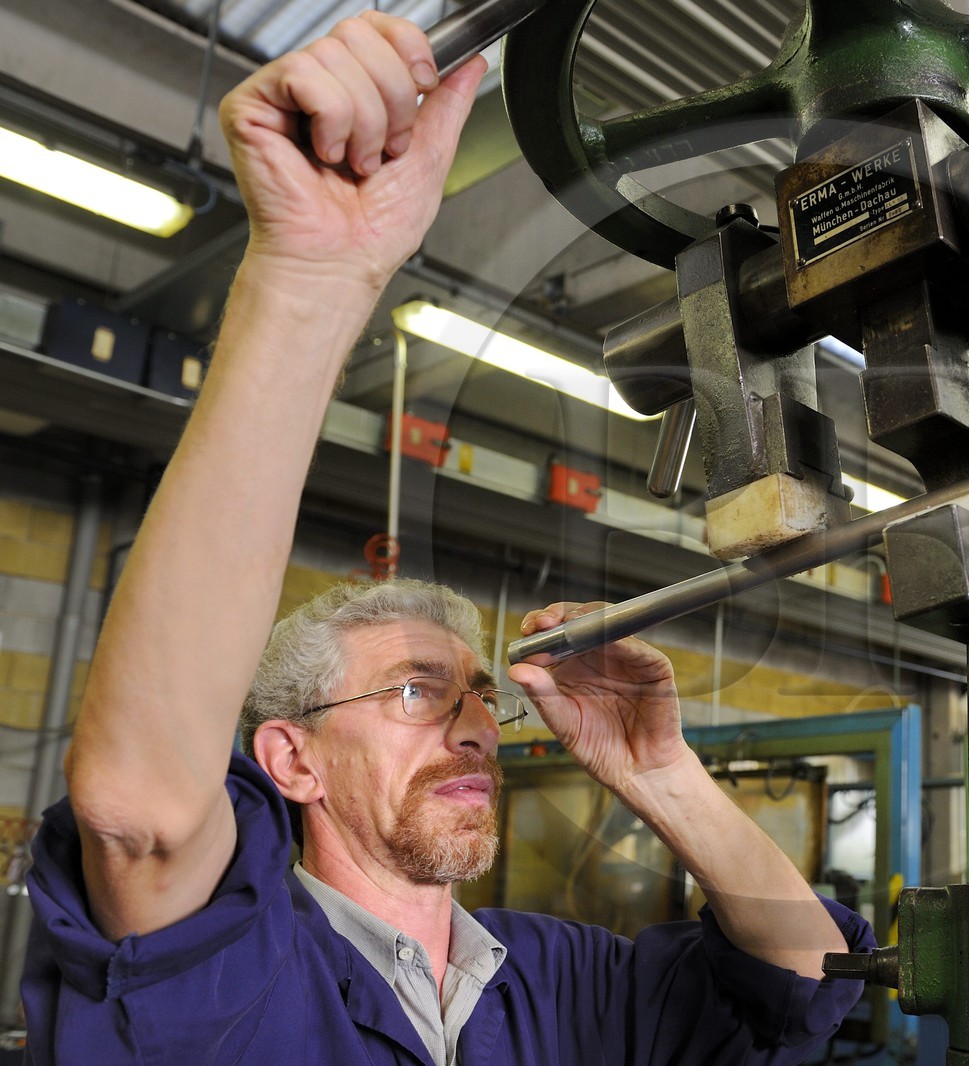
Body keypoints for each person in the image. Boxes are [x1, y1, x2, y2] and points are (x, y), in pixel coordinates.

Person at [20, 12, 870, 1064]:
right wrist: (312, 280)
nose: (476, 729)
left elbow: (803, 977)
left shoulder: (566, 976)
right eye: (419, 690)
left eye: (480, 695)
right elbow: (140, 811)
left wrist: (659, 771)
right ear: (291, 758)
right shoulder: (240, 964)